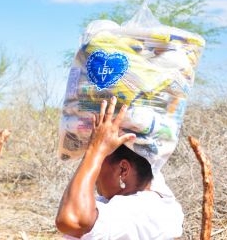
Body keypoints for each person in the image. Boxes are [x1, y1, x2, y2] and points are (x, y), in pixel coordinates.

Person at [55, 96, 184, 239]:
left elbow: (72, 220)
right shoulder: (160, 197)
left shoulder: (139, 212)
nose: (95, 172)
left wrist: (95, 150)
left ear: (123, 169)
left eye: (99, 163)